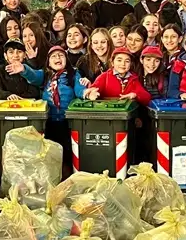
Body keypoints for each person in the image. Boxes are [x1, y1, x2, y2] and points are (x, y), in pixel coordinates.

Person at [20, 45, 86, 175]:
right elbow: (33, 76)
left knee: (67, 154)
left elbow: (79, 89)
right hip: (49, 121)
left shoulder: (73, 74)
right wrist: (24, 69)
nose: (58, 58)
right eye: (54, 56)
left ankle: (69, 178)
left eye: (61, 55)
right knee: (51, 154)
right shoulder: (45, 75)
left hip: (67, 122)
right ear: (49, 62)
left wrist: (86, 92)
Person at [84, 47, 151, 106]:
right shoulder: (104, 76)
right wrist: (92, 93)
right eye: (119, 60)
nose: (123, 64)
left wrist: (135, 95)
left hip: (125, 114)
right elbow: (94, 87)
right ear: (112, 62)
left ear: (130, 64)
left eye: (127, 61)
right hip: (108, 112)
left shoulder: (133, 79)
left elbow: (146, 97)